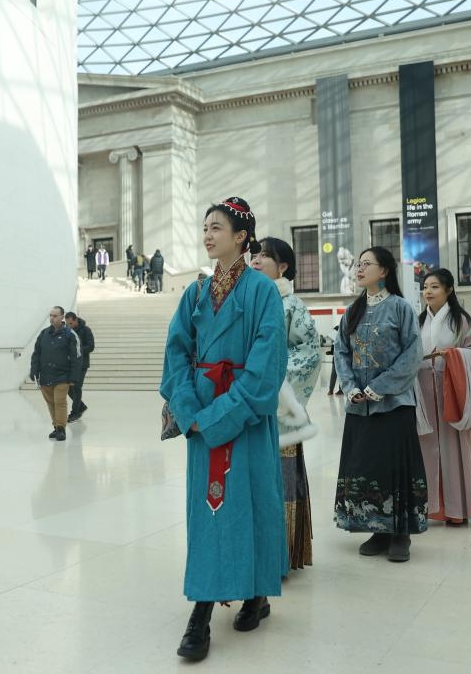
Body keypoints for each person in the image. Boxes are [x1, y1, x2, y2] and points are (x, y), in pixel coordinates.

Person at [160, 197, 287, 662]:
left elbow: (266, 368)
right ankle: (201, 608)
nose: (208, 234)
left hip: (244, 421)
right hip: (202, 421)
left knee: (251, 504)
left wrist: (219, 416)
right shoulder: (194, 294)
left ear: (241, 236)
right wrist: (191, 409)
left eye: (218, 227)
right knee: (209, 513)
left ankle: (256, 592)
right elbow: (175, 353)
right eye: (205, 227)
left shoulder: (262, 292)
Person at [333, 246, 426, 562]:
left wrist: (378, 388)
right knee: (367, 465)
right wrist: (349, 387)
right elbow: (342, 352)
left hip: (395, 403)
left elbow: (413, 354)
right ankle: (377, 527)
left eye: (366, 264)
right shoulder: (352, 311)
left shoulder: (401, 308)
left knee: (395, 466)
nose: (359, 269)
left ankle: (401, 533)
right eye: (358, 264)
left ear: (384, 271)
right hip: (359, 404)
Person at [251, 236, 320, 571]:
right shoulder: (247, 299)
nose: (256, 260)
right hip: (246, 405)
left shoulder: (291, 306)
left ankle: (277, 556)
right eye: (255, 254)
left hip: (277, 409)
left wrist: (266, 381)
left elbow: (307, 356)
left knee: (278, 480)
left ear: (283, 267)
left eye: (265, 256)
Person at [414, 269, 471, 526]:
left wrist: (454, 356)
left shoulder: (461, 321)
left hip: (452, 391)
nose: (428, 292)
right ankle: (429, 506)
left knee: (453, 448)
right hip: (423, 392)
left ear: (449, 290)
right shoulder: (418, 321)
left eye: (434, 286)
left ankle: (458, 509)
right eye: (425, 287)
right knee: (426, 450)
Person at [30, 306, 81, 441]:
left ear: (62, 317)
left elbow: (76, 356)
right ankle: (56, 427)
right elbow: (36, 354)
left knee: (60, 401)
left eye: (55, 316)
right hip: (45, 375)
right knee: (51, 403)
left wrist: (74, 377)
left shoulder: (69, 334)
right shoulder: (43, 334)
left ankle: (61, 428)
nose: (52, 318)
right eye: (50, 315)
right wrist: (33, 371)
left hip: (62, 375)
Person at [65, 312, 95, 422]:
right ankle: (81, 406)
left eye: (71, 323)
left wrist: (78, 350)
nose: (69, 326)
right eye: (67, 324)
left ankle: (75, 413)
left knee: (77, 387)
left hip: (82, 364)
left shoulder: (86, 330)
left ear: (76, 320)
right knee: (68, 389)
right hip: (71, 365)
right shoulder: (66, 330)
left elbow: (91, 347)